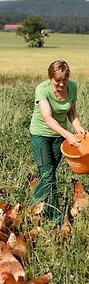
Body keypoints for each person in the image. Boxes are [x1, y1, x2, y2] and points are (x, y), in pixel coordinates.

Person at [29, 59, 87, 225]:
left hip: (58, 137)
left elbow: (72, 112)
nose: (61, 84)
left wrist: (78, 127)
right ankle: (58, 220)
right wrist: (68, 135)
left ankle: (32, 206)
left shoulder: (73, 87)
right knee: (48, 177)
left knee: (48, 175)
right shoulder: (42, 89)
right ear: (50, 78)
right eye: (57, 81)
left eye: (64, 80)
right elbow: (47, 118)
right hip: (40, 135)